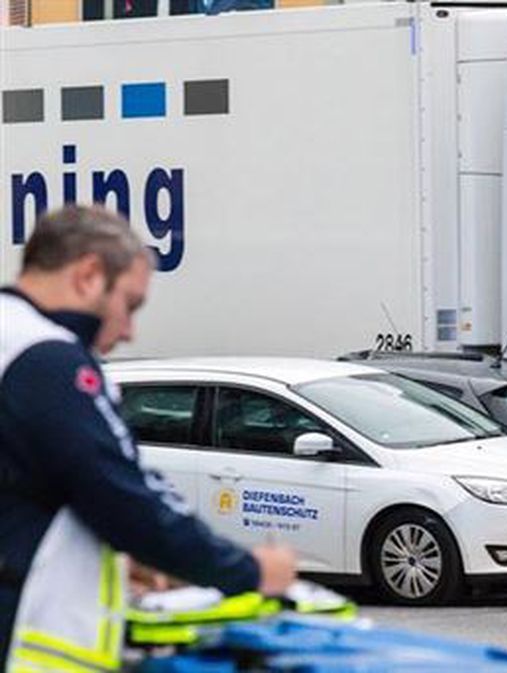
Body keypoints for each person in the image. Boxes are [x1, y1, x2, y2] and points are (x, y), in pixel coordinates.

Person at [0, 206, 297, 670]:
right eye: (130, 305)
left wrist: (109, 556)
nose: (128, 331)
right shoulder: (44, 358)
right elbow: (121, 491)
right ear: (89, 276)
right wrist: (252, 570)